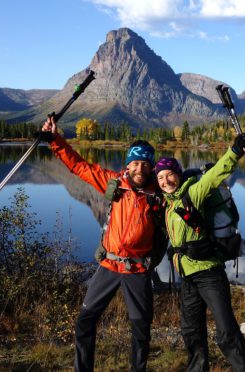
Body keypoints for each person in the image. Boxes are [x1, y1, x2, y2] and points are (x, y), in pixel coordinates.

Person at [41, 117, 166, 372]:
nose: (140, 168)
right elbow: (79, 167)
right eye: (135, 163)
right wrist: (56, 140)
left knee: (141, 328)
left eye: (145, 163)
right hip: (109, 265)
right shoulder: (113, 183)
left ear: (151, 167)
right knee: (86, 320)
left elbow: (191, 189)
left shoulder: (160, 193)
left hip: (138, 271)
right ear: (127, 165)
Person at [154, 133, 245, 372]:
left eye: (169, 174)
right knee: (191, 330)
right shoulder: (167, 203)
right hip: (187, 276)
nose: (166, 180)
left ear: (178, 174)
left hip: (209, 273)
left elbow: (214, 175)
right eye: (160, 177)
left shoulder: (193, 193)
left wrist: (234, 152)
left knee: (226, 331)